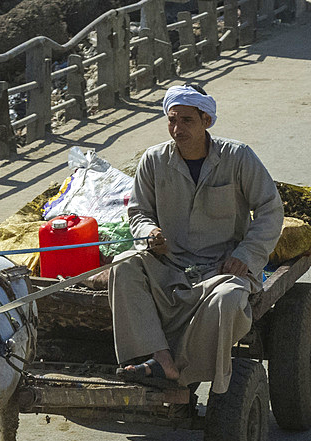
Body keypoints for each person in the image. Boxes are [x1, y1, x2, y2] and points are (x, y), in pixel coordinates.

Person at [103, 83, 284, 394]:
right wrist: (150, 233)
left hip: (223, 268)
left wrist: (246, 254)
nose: (177, 128)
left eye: (187, 120)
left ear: (206, 121)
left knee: (227, 301)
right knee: (123, 266)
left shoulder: (237, 157)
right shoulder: (154, 160)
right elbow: (138, 213)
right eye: (172, 120)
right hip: (170, 265)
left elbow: (270, 208)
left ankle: (182, 369)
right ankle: (161, 359)